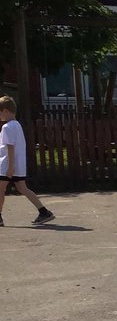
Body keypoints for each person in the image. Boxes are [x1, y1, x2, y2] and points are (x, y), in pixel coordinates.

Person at [0, 95, 54, 227]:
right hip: (17, 165)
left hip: (7, 165)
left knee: (0, 189)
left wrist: (10, 167)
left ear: (5, 111)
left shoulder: (7, 127)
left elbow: (10, 148)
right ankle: (44, 211)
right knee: (22, 188)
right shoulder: (17, 125)